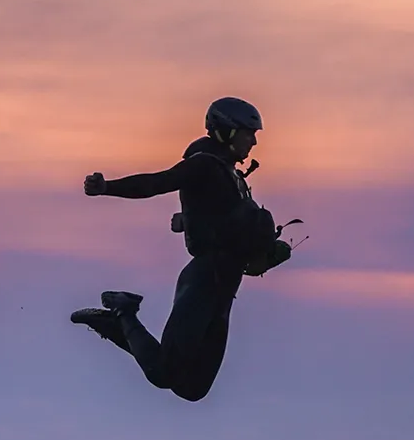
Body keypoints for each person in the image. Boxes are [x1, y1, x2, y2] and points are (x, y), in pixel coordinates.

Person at [70, 97, 294, 402]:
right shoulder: (203, 164)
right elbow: (157, 183)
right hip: (203, 280)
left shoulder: (233, 177)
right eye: (248, 132)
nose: (254, 141)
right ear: (227, 131)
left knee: (193, 388)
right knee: (164, 373)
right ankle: (122, 313)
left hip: (224, 288)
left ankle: (119, 322)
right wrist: (107, 187)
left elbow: (223, 222)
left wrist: (266, 252)